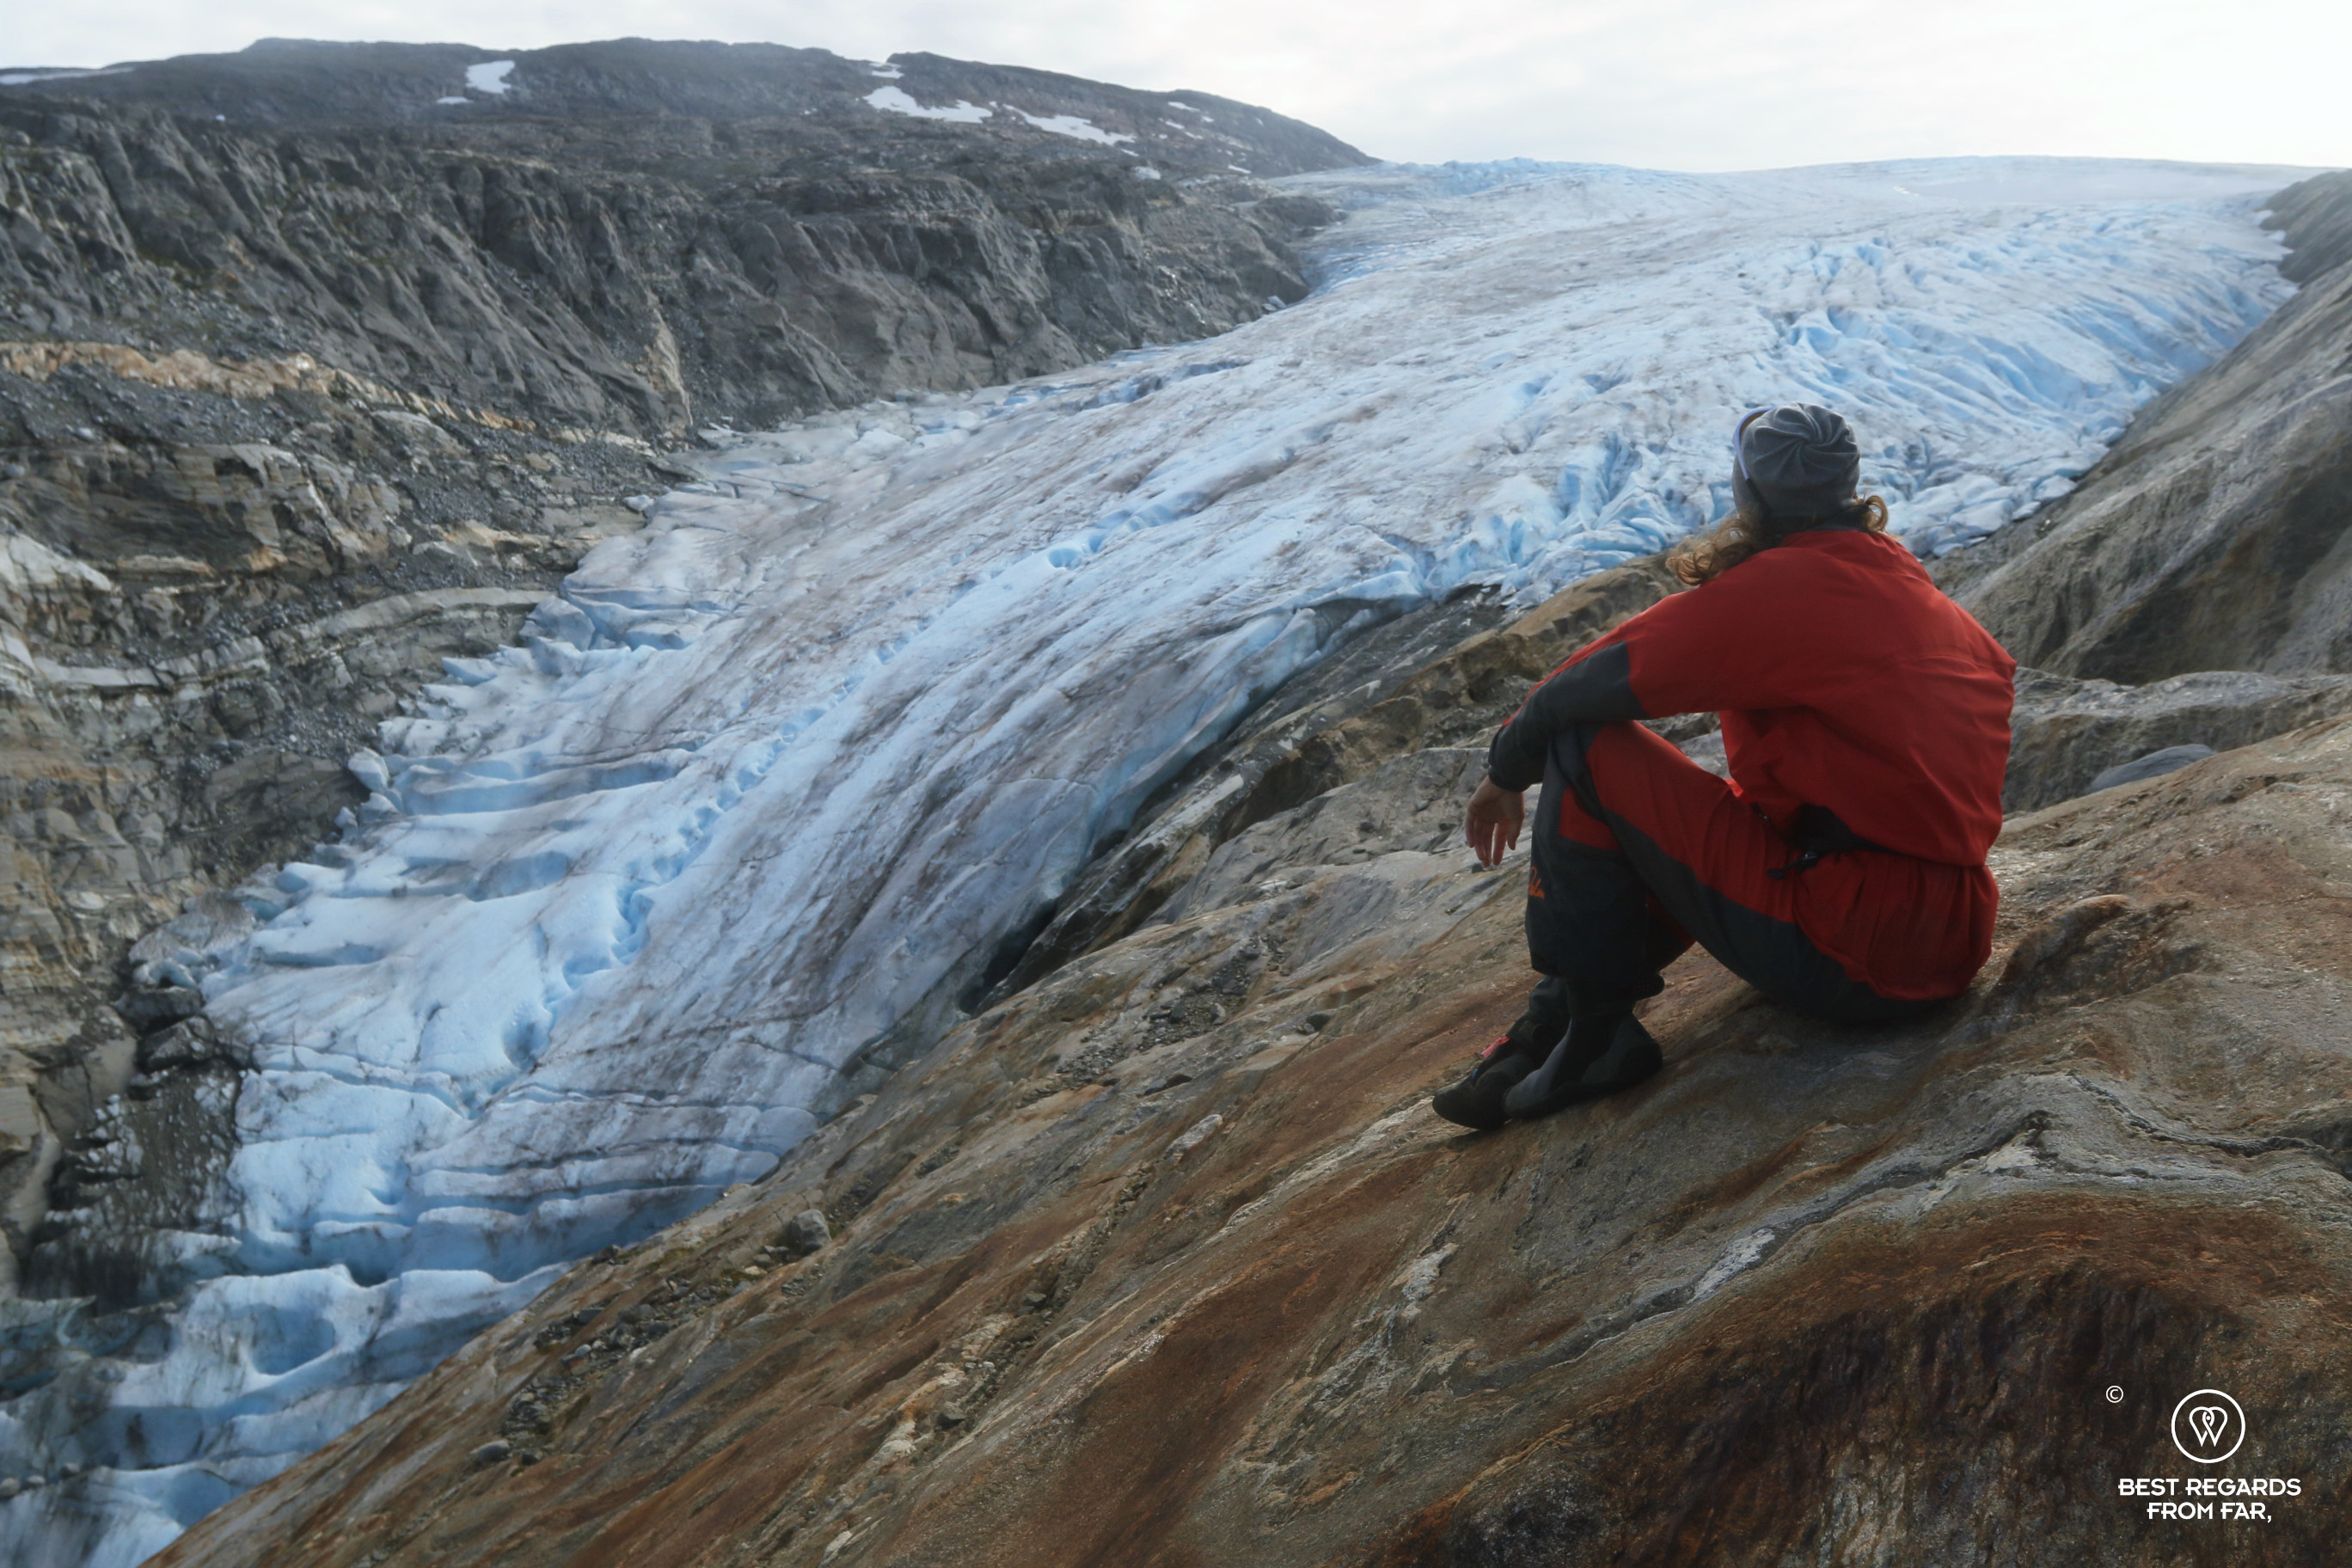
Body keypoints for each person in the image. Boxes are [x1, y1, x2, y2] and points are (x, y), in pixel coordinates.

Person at [1432, 403, 2016, 1131]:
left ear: (1750, 496)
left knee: (1590, 751)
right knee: (1723, 805)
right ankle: (1552, 1025)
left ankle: (1595, 1033)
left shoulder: (1787, 591)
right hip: (1946, 937)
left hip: (1855, 945)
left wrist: (1504, 773)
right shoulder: (1922, 599)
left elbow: (1579, 687)